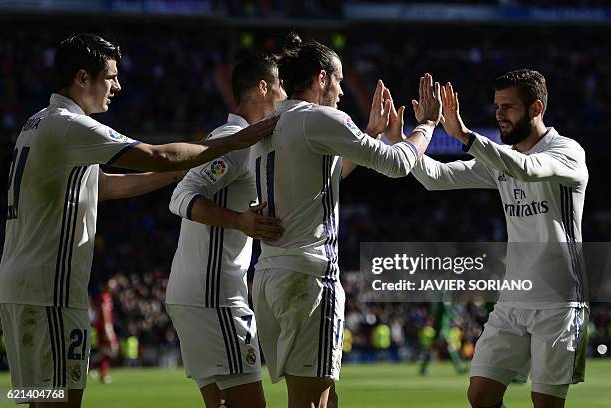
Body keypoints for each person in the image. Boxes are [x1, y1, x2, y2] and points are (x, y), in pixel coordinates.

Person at [0, 33, 276, 408]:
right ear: (83, 78)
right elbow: (157, 155)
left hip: (21, 287)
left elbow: (107, 188)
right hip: (51, 292)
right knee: (60, 401)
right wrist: (230, 143)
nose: (117, 86)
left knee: (37, 396)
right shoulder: (71, 126)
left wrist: (185, 169)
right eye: (110, 76)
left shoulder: (37, 123)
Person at [250, 32, 442, 408]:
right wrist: (428, 126)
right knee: (310, 403)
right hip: (309, 277)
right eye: (337, 80)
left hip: (272, 274)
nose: (341, 91)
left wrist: (368, 134)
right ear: (321, 78)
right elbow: (399, 163)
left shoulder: (274, 122)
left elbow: (324, 179)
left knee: (324, 398)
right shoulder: (319, 118)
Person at [411, 69, 588, 408]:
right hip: (513, 297)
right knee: (480, 394)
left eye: (509, 107)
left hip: (559, 299)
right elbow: (437, 177)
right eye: (497, 106)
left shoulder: (567, 152)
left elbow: (526, 168)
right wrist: (410, 140)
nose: (499, 115)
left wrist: (465, 136)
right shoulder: (500, 161)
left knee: (546, 402)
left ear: (536, 108)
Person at [165, 52, 286, 408]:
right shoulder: (234, 141)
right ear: (263, 88)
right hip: (214, 297)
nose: (286, 98)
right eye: (282, 88)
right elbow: (181, 196)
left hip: (196, 294)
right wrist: (240, 221)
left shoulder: (243, 141)